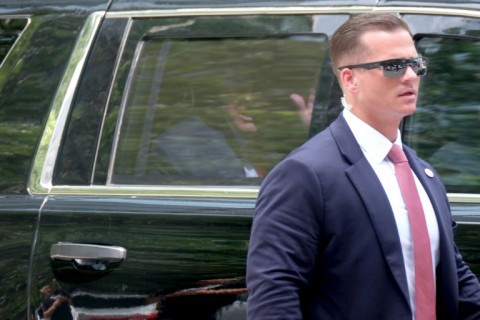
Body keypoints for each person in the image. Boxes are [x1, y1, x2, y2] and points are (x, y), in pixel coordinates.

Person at [246, 12, 480, 320]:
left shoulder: (422, 173)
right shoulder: (305, 174)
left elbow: (453, 277)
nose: (410, 75)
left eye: (416, 64)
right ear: (349, 78)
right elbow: (274, 295)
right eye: (394, 66)